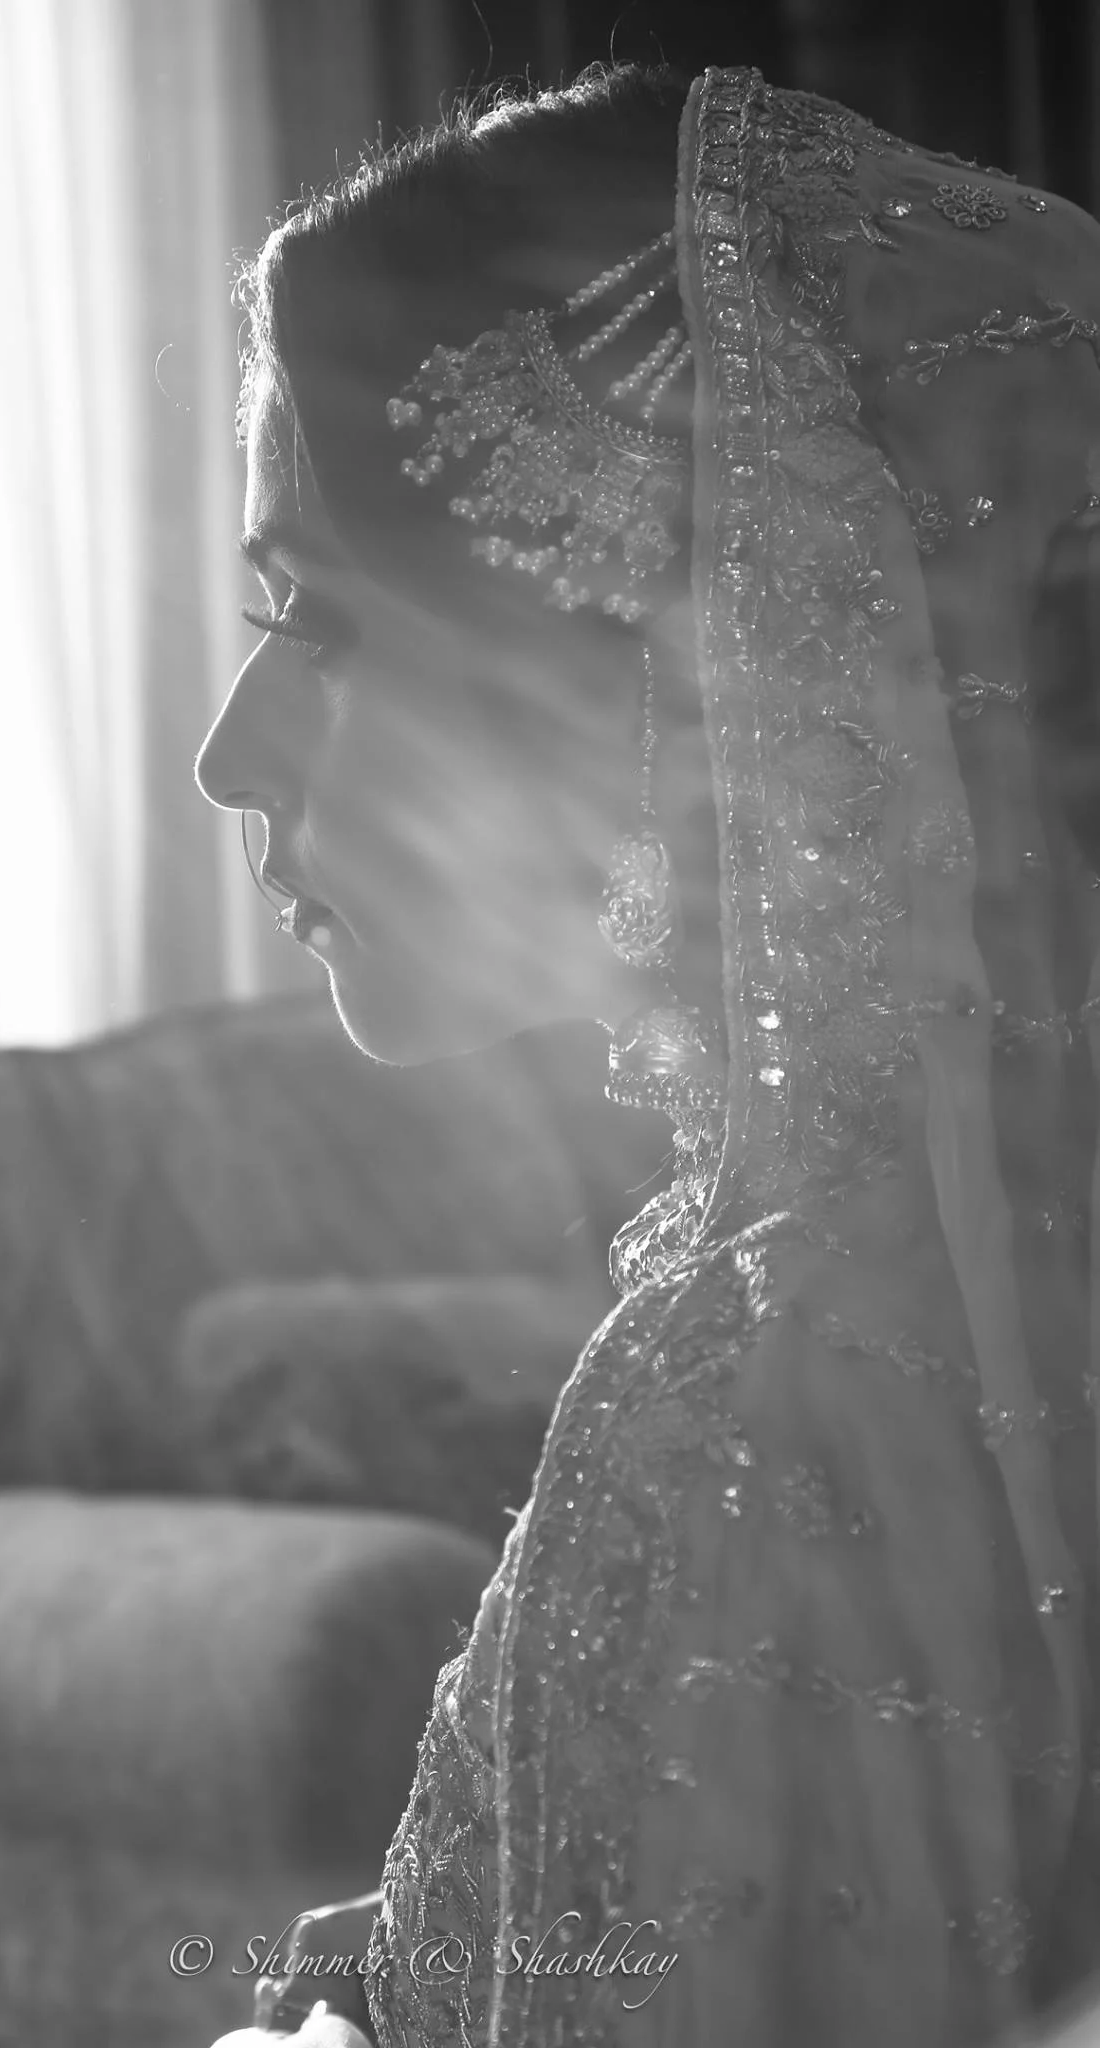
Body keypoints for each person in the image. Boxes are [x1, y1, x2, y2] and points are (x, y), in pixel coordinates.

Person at [195, 55, 1100, 2048]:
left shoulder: (759, 1405)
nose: (230, 754)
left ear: (631, 657)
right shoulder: (956, 1299)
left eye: (320, 621)